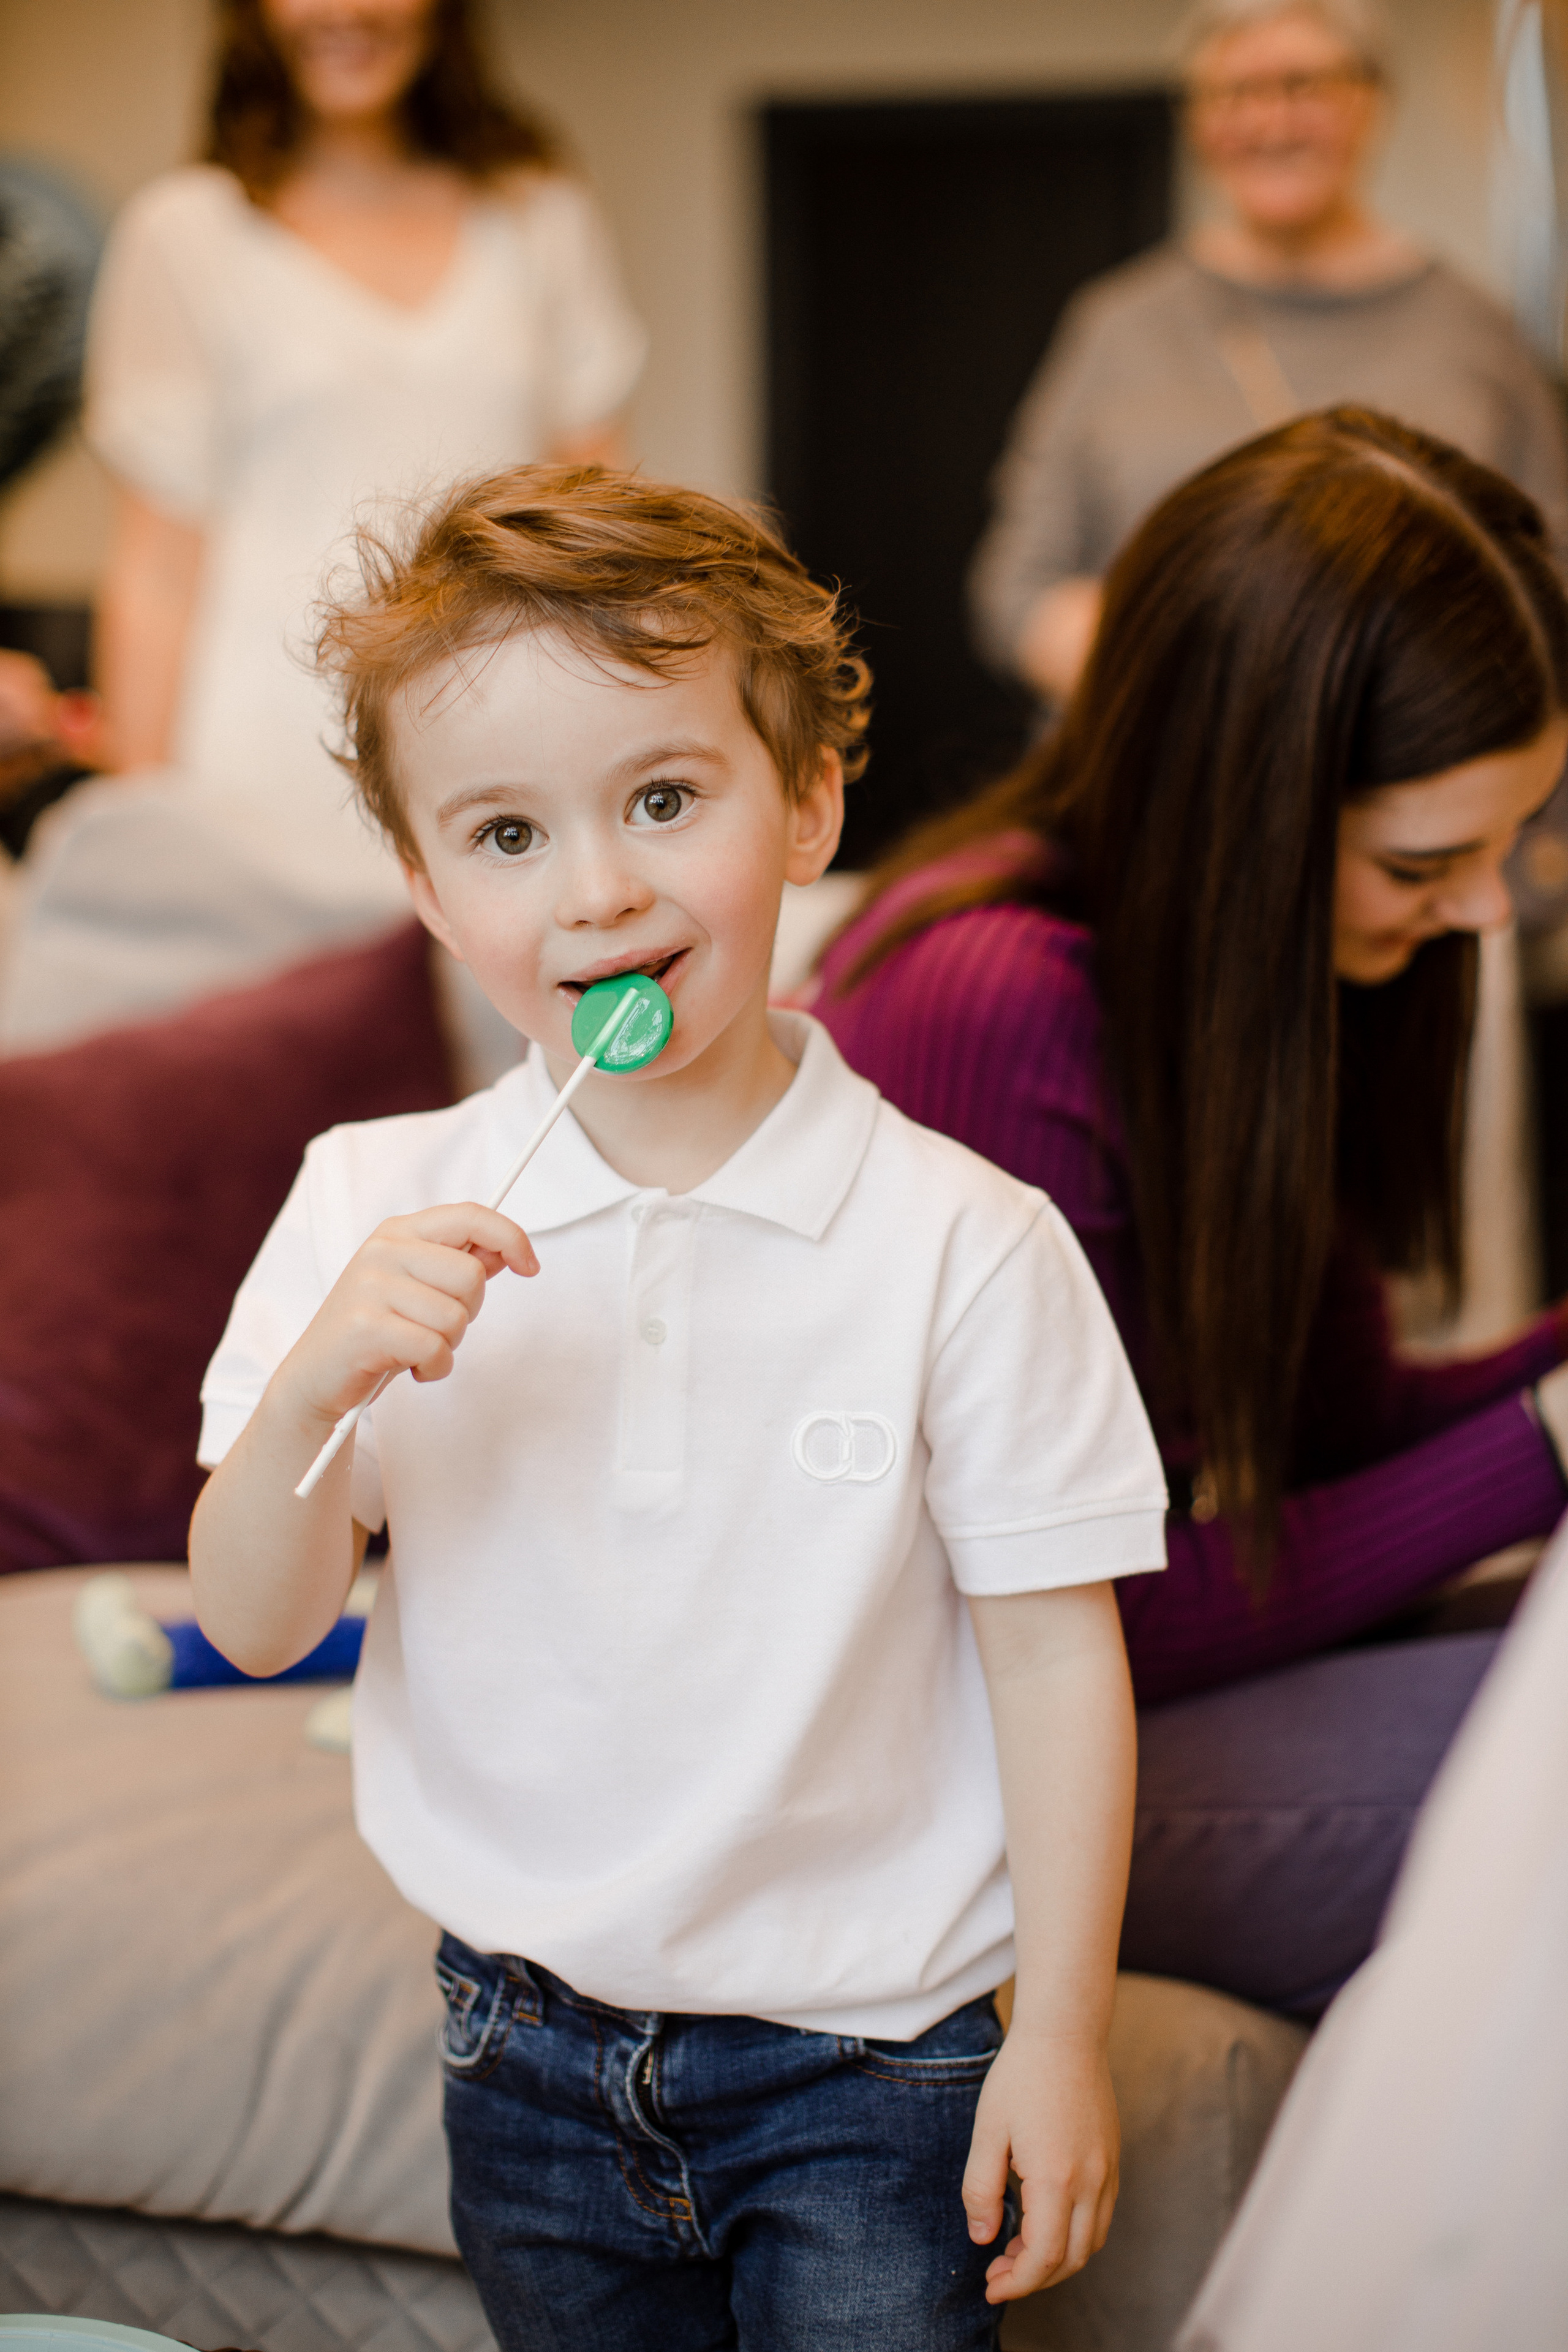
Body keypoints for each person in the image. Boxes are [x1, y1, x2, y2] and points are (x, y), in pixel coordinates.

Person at [187, 466, 1169, 2348]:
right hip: (517, 2047)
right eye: (502, 831)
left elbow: (1056, 1661)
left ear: (802, 803)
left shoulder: (965, 1241)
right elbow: (252, 1613)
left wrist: (1056, 2035)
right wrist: (322, 1372)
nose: (598, 887)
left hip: (876, 2072)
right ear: (421, 880)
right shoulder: (358, 1202)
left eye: (662, 797)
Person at [815, 407, 1568, 2018]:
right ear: (1255, 808)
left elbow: (1338, 1432)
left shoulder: (1274, 968)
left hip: (1085, 1690)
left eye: (1511, 846)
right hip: (954, 1754)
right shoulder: (988, 1000)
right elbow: (1036, 1614)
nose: (1484, 909)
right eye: (1429, 858)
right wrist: (1547, 1443)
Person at [84, 0, 646, 918]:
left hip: (499, 748)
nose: (348, 9)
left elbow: (602, 519)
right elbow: (154, 570)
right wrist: (140, 828)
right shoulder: (183, 234)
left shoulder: (540, 213)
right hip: (254, 772)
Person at [969, 0, 1568, 707]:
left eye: (1303, 84)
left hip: (1405, 772)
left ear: (1371, 100)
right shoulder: (1117, 326)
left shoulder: (1474, 329)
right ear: (1194, 119)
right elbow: (1016, 587)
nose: (1269, 122)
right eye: (1233, 92)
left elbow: (1547, 577)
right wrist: (1184, 687)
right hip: (1157, 780)